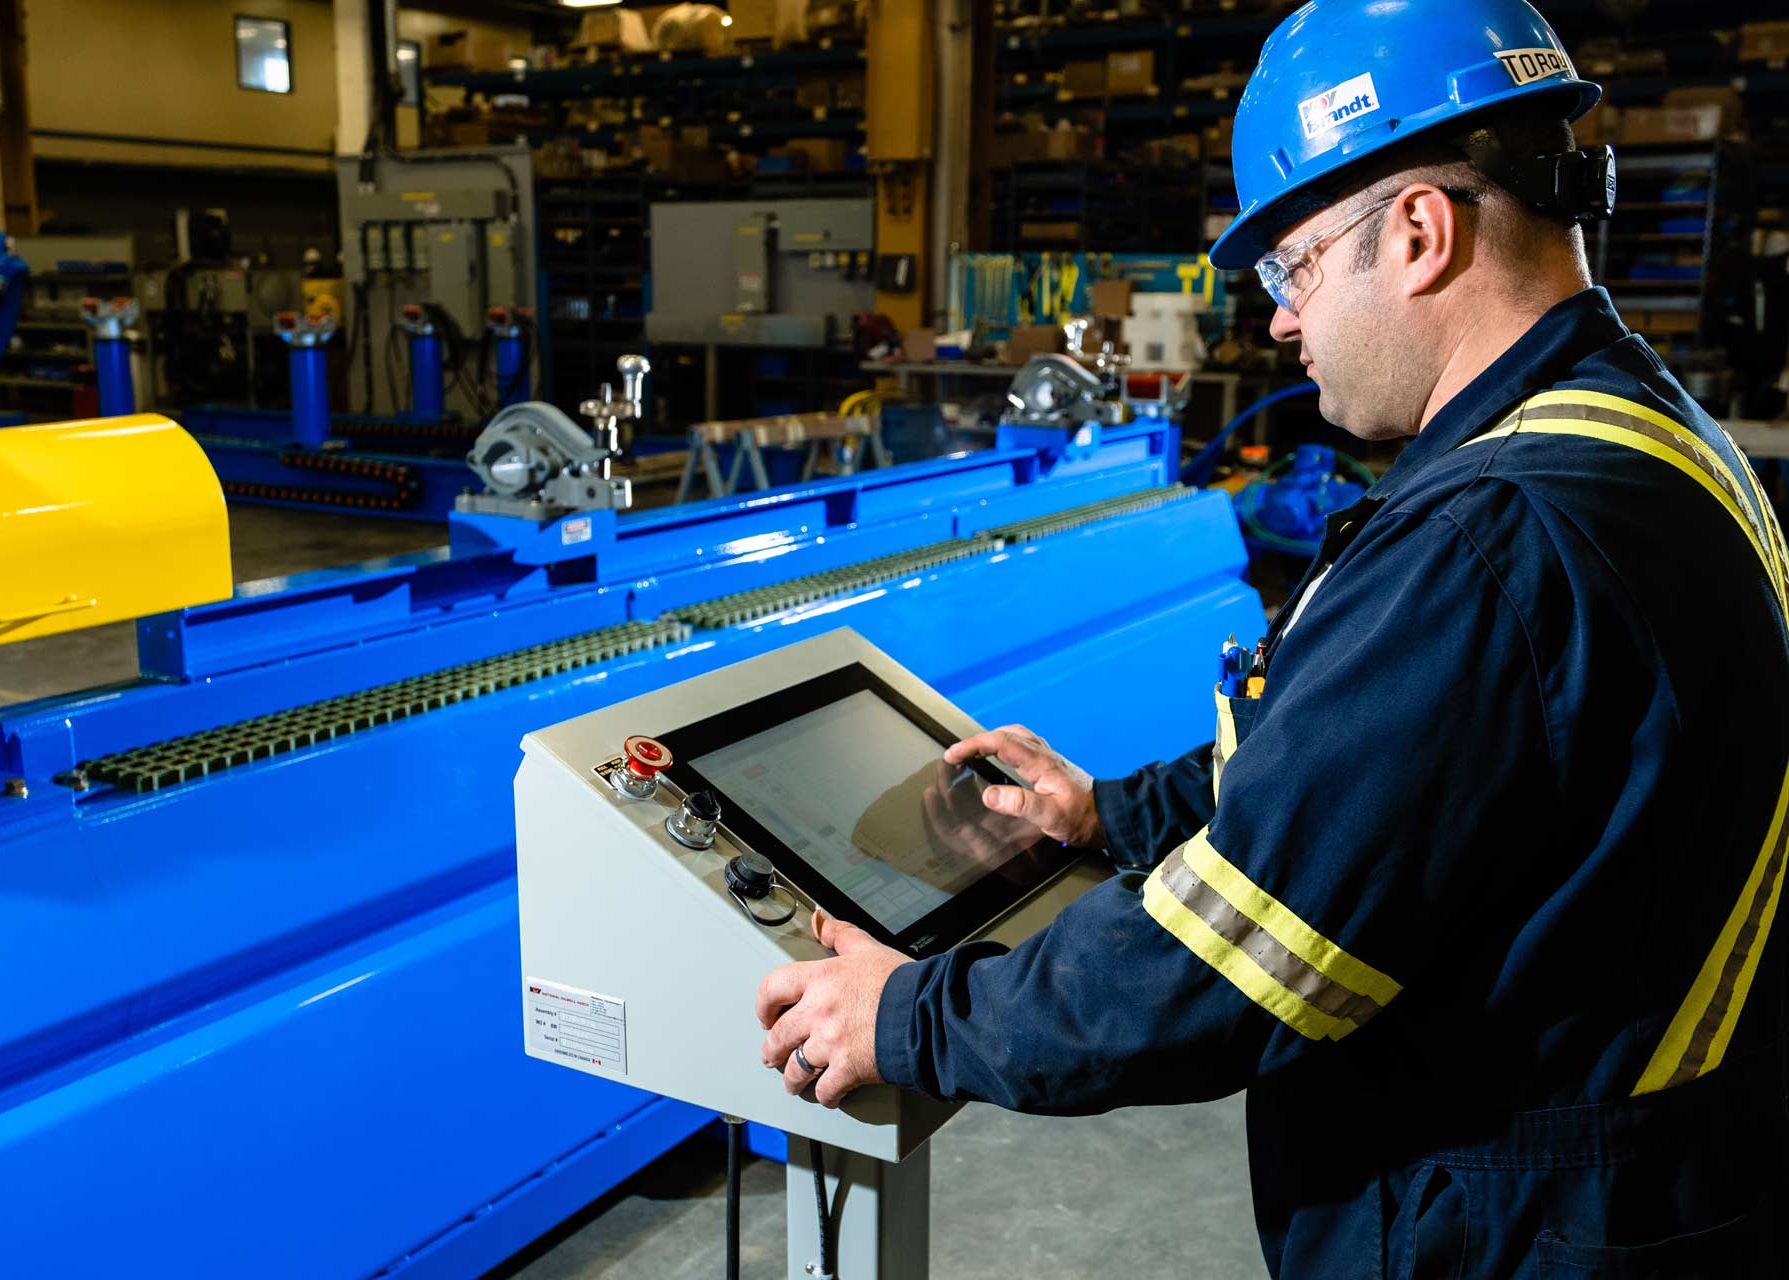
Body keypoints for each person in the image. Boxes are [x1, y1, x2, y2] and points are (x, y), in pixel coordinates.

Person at [752, 0, 1789, 1273]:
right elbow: (1406, 786)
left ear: (1418, 231)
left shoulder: (1490, 541)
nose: (1281, 321)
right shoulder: (1655, 438)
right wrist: (1111, 816)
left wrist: (909, 1015)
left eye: (1292, 266)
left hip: (1519, 1222)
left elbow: (1227, 970)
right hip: (1656, 1168)